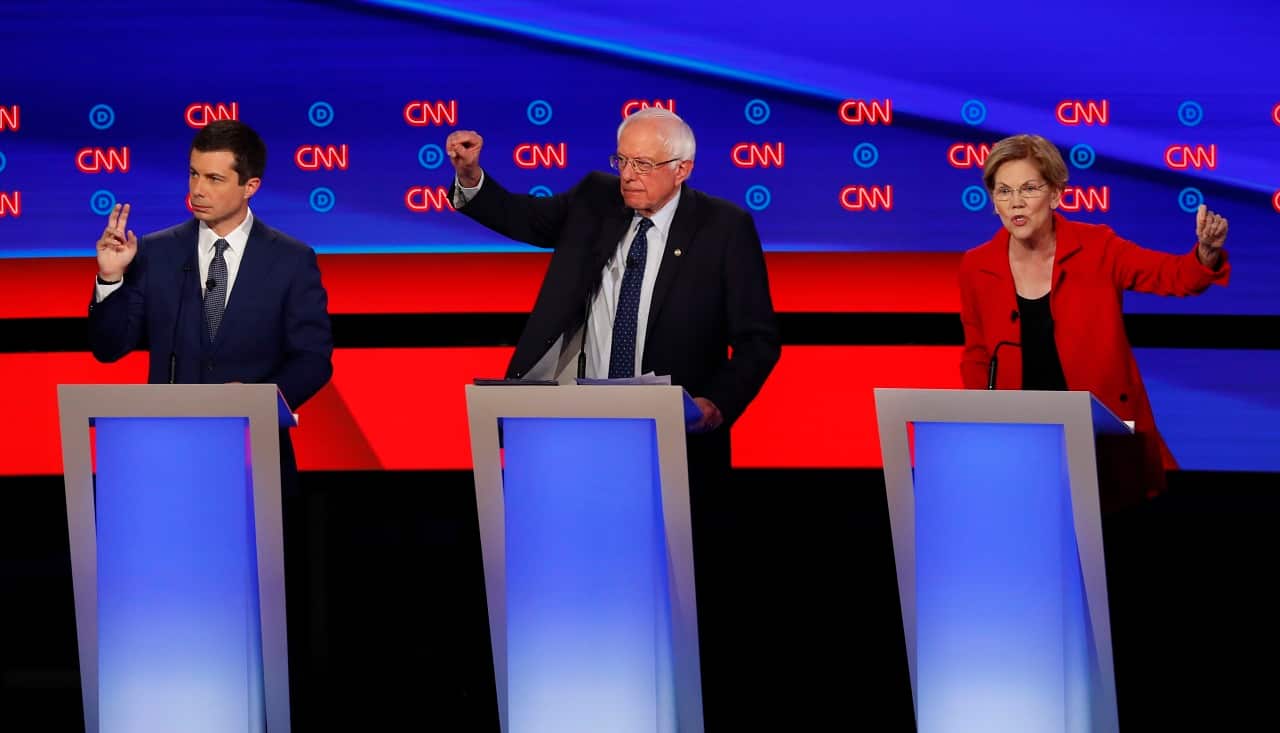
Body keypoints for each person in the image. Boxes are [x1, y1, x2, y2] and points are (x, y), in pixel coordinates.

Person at [88, 119, 333, 722]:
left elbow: (313, 359)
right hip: (166, 472)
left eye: (215, 179)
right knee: (172, 615)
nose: (197, 190)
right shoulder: (157, 252)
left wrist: (260, 399)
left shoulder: (291, 260)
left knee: (254, 621)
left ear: (250, 185)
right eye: (194, 174)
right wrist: (111, 277)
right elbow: (109, 348)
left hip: (253, 468)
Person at [444, 107, 780, 481]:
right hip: (581, 422)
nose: (627, 175)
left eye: (643, 164)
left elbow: (758, 341)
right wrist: (470, 176)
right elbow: (520, 216)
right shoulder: (594, 199)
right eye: (621, 160)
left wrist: (716, 404)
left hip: (673, 436)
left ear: (681, 169)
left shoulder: (724, 227)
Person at [958, 133, 1229, 503]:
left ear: (1056, 194)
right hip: (1022, 439)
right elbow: (977, 355)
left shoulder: (1098, 247)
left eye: (1029, 188)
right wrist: (981, 426)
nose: (1015, 202)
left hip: (1100, 434)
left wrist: (1206, 253)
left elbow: (1172, 276)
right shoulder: (976, 266)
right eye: (1003, 191)